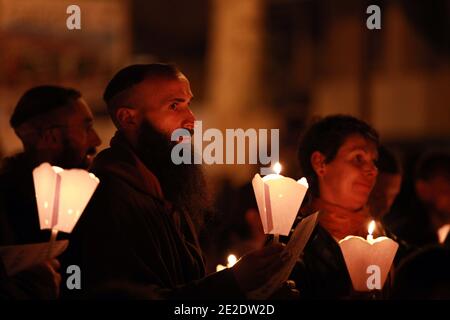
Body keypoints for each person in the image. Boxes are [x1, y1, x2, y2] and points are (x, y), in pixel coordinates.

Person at [60, 63, 289, 299]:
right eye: (174, 106)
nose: (191, 119)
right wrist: (233, 282)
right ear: (128, 118)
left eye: (187, 104)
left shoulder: (167, 189)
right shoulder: (105, 199)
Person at [290, 114, 382, 299]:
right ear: (320, 163)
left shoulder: (386, 240)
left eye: (374, 161)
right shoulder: (292, 245)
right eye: (358, 158)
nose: (371, 170)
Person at [0, 85, 102, 244]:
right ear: (51, 137)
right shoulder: (8, 207)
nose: (97, 140)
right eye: (87, 128)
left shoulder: (96, 189)